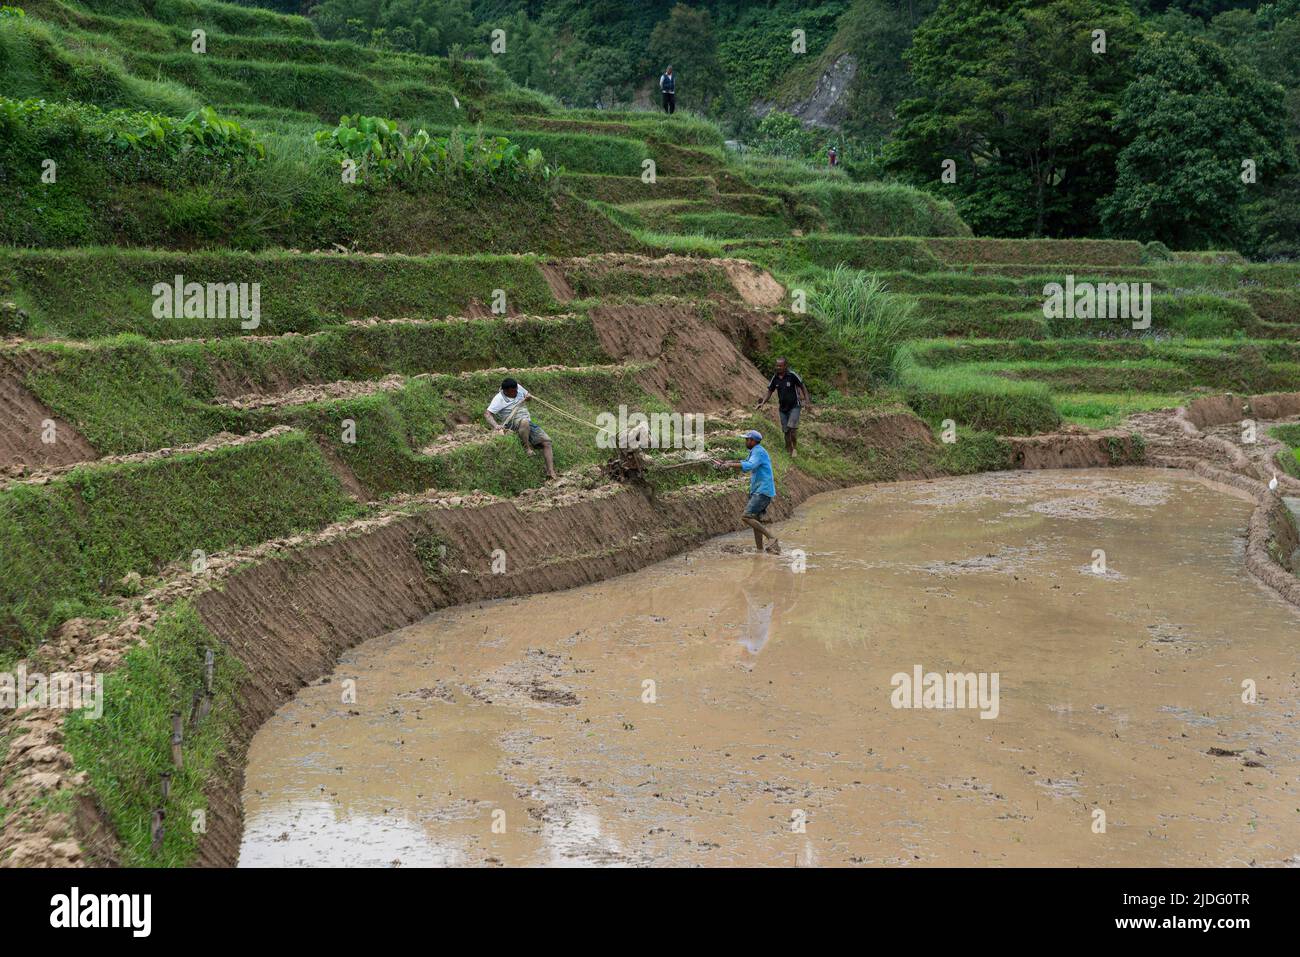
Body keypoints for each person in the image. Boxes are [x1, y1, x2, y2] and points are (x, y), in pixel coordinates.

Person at [714, 430, 780, 554]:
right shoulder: (755, 451)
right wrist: (727, 463)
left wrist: (729, 465)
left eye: (747, 439)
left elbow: (749, 465)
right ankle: (760, 550)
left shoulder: (758, 452)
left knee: (746, 516)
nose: (746, 441)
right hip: (760, 490)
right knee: (755, 520)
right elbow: (746, 463)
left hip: (762, 491)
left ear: (753, 441)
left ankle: (771, 537)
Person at [484, 377, 558, 481]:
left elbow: (528, 395)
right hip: (512, 423)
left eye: (516, 390)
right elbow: (487, 414)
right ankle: (527, 447)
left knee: (547, 442)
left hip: (527, 421)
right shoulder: (499, 398)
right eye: (513, 391)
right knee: (524, 422)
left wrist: (528, 397)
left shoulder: (517, 387)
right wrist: (496, 425)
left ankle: (550, 472)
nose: (516, 392)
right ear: (505, 391)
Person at [756, 357, 811, 458]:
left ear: (785, 366)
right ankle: (788, 449)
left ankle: (794, 448)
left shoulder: (792, 375)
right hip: (783, 409)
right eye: (777, 365)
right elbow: (770, 391)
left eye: (780, 366)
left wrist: (807, 402)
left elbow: (803, 386)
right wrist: (763, 402)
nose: (778, 367)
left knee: (792, 429)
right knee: (786, 431)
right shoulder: (775, 378)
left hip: (795, 406)